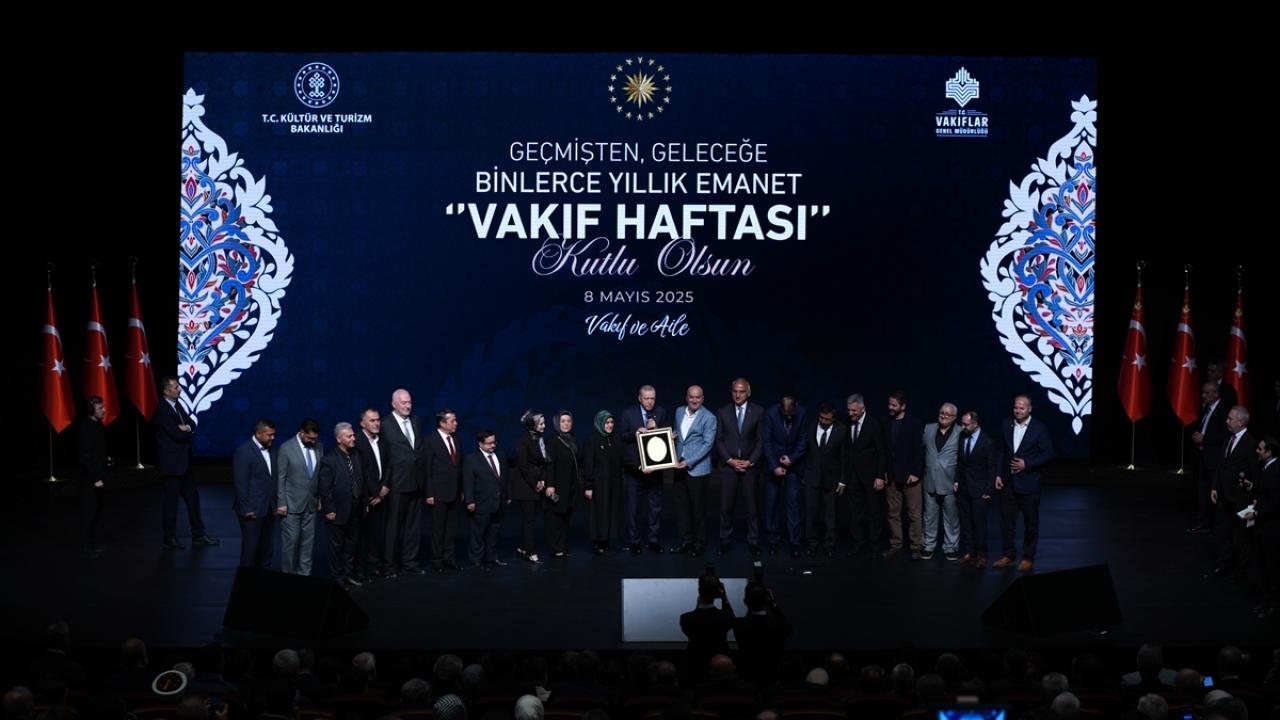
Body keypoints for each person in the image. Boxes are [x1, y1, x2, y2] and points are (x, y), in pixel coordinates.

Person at [994, 395, 1055, 572]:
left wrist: (1027, 464)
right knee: (1006, 522)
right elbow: (1002, 452)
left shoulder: (1039, 428)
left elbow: (1048, 453)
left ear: (1029, 409)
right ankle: (1008, 554)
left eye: (1022, 408)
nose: (1018, 411)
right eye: (1016, 407)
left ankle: (1028, 557)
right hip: (1008, 483)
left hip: (1029, 483)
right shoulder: (1006, 424)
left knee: (1031, 523)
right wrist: (998, 475)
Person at [155, 376, 218, 549]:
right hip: (172, 466)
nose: (180, 389)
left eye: (178, 386)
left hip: (184, 464)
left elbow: (191, 424)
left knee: (193, 500)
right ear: (166, 391)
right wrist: (184, 431)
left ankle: (198, 534)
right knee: (171, 503)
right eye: (176, 387)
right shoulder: (162, 410)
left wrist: (186, 428)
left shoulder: (177, 405)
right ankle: (169, 537)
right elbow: (176, 435)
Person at [715, 378, 765, 556]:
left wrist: (750, 461)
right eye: (735, 391)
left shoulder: (758, 411)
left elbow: (760, 441)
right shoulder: (723, 412)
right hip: (729, 468)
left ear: (748, 393)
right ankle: (724, 541)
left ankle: (753, 541)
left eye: (741, 391)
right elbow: (718, 440)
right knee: (726, 507)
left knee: (752, 508)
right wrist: (729, 460)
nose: (738, 394)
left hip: (749, 468)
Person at [1207, 406, 1258, 579]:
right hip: (1223, 495)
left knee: (1240, 537)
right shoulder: (1228, 439)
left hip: (1240, 498)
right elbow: (1220, 465)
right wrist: (1214, 486)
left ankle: (1239, 572)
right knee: (1223, 533)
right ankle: (1223, 565)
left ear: (1241, 422)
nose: (1226, 421)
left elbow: (1255, 473)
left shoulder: (1250, 443)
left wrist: (1254, 498)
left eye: (1230, 419)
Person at [617, 385, 668, 554]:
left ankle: (653, 541)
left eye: (652, 398)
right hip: (635, 470)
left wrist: (657, 429)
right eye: (646, 398)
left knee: (655, 508)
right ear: (640, 398)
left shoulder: (661, 412)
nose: (650, 402)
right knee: (633, 509)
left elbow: (666, 438)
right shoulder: (628, 414)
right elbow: (622, 436)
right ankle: (635, 542)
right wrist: (636, 432)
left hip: (655, 470)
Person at [382, 388, 425, 576]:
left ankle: (410, 562)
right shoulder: (385, 424)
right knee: (393, 527)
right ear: (394, 404)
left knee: (413, 527)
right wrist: (386, 483)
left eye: (409, 402)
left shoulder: (416, 421)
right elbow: (384, 456)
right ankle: (389, 565)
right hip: (397, 484)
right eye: (403, 402)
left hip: (416, 482)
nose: (408, 406)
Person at [318, 422, 366, 589]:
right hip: (338, 511)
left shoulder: (356, 455)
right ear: (339, 439)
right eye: (349, 436)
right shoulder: (329, 459)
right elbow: (325, 488)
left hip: (355, 509)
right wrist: (329, 509)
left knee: (351, 545)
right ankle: (337, 579)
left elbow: (361, 480)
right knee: (336, 548)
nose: (353, 438)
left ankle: (348, 575)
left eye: (353, 435)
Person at [672, 386, 717, 556]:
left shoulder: (709, 417)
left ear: (703, 399)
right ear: (687, 397)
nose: (694, 400)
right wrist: (671, 437)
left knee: (698, 509)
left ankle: (699, 544)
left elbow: (707, 445)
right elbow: (679, 435)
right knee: (681, 508)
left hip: (697, 469)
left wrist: (688, 461)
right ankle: (686, 542)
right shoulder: (679, 411)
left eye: (698, 397)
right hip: (678, 466)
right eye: (691, 397)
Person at [276, 418, 324, 575]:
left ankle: (304, 575)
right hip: (290, 505)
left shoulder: (319, 447)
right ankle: (288, 576)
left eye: (315, 438)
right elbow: (281, 477)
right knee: (291, 543)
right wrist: (281, 502)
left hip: (311, 503)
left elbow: (318, 476)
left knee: (308, 544)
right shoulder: (286, 448)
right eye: (310, 438)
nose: (313, 441)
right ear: (302, 432)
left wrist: (319, 498)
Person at [841, 393, 886, 556]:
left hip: (871, 476)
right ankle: (858, 543)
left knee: (874, 512)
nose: (850, 413)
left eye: (854, 410)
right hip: (852, 476)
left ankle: (875, 545)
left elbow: (881, 451)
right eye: (849, 410)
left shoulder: (874, 424)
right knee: (854, 513)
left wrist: (880, 476)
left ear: (862, 408)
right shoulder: (846, 423)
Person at [763, 395, 808, 557]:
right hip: (774, 465)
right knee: (772, 504)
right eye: (786, 415)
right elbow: (766, 442)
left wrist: (792, 459)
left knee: (793, 505)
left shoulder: (802, 413)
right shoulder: (771, 413)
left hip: (794, 466)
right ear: (779, 408)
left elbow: (803, 440)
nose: (789, 418)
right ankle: (773, 541)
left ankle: (795, 542)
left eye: (791, 415)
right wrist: (775, 465)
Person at [883, 390, 925, 560]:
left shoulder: (914, 423)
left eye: (894, 405)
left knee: (914, 514)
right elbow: (884, 450)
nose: (890, 407)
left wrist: (915, 472)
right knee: (893, 513)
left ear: (903, 406)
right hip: (891, 476)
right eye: (889, 404)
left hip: (910, 477)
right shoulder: (886, 422)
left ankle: (916, 547)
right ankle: (896, 545)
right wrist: (884, 472)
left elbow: (919, 450)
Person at [231, 419, 278, 569]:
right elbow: (240, 483)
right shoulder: (244, 452)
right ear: (258, 433)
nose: (273, 438)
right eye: (269, 435)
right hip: (252, 510)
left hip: (268, 508)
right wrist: (246, 508)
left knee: (266, 550)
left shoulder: (273, 450)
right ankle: (245, 582)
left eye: (274, 434)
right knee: (250, 552)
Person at [956, 410, 998, 568]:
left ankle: (982, 555)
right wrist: (956, 481)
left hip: (979, 489)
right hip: (964, 487)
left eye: (966, 424)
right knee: (966, 522)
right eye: (962, 423)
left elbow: (991, 468)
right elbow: (960, 462)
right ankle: (970, 552)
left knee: (979, 524)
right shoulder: (962, 437)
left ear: (975, 424)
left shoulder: (987, 442)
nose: (962, 427)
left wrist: (988, 490)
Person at [803, 403, 846, 557]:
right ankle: (812, 543)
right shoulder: (811, 426)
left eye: (827, 419)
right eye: (821, 418)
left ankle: (829, 545)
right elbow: (805, 450)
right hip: (812, 478)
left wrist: (842, 480)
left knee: (830, 515)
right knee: (811, 514)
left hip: (831, 479)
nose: (823, 421)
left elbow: (844, 457)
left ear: (833, 419)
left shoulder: (842, 430)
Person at [353, 407, 390, 582]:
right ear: (363, 423)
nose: (376, 423)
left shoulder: (382, 440)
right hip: (366, 497)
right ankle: (361, 569)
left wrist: (385, 487)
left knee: (377, 534)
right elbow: (361, 472)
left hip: (382, 495)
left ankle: (373, 566)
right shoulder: (357, 441)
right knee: (363, 536)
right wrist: (375, 493)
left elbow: (389, 465)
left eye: (378, 420)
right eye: (372, 420)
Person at [921, 403, 962, 561]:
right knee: (929, 517)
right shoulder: (929, 428)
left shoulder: (960, 432)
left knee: (951, 517)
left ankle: (951, 547)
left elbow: (963, 459)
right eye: (941, 412)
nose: (943, 415)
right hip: (930, 479)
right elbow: (921, 450)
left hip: (950, 482)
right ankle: (928, 545)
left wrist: (958, 480)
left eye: (947, 414)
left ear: (954, 417)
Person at [679, 571, 735, 684]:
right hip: (721, 666)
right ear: (717, 592)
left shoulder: (686, 618)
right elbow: (730, 617)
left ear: (699, 591)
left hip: (696, 666)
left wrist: (698, 606)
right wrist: (724, 597)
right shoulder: (725, 617)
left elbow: (695, 619)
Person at [425, 408, 463, 572]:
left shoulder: (456, 439)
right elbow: (427, 469)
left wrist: (461, 490)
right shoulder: (431, 441)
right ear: (442, 423)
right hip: (438, 493)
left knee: (451, 529)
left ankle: (449, 558)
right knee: (438, 528)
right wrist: (429, 493)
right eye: (452, 421)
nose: (456, 423)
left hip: (454, 492)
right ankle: (437, 560)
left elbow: (459, 467)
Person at [1245, 435, 1279, 617]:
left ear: (1269, 453)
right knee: (1262, 565)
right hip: (1263, 526)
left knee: (1271, 567)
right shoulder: (1266, 467)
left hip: (1271, 528)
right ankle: (1266, 601)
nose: (1257, 451)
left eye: (1260, 449)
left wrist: (1256, 512)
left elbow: (1275, 502)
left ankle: (1272, 604)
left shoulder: (1276, 470)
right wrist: (1253, 489)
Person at [463, 429, 508, 568]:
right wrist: (469, 501)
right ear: (480, 444)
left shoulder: (501, 456)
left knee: (494, 531)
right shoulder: (471, 459)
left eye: (494, 442)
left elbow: (505, 478)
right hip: (481, 502)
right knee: (478, 532)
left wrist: (507, 495)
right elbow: (468, 481)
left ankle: (491, 557)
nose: (492, 445)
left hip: (498, 502)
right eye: (489, 443)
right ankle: (476, 559)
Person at [734, 581, 793, 687]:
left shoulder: (739, 625)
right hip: (772, 677)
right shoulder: (778, 624)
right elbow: (788, 628)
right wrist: (774, 606)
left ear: (745, 601)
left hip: (748, 677)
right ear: (767, 600)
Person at [1189, 381, 1229, 534]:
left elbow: (1225, 436)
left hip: (1215, 459)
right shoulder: (1206, 408)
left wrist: (1204, 439)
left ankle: (1215, 525)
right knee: (1202, 491)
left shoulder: (1224, 411)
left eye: (1207, 393)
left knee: (1214, 493)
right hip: (1203, 457)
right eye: (1203, 392)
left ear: (1216, 394)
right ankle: (1202, 522)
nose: (1203, 395)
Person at [514, 410, 552, 562]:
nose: (544, 426)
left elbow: (543, 462)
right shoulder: (524, 441)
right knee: (528, 520)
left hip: (537, 483)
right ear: (533, 424)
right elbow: (523, 466)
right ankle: (530, 551)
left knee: (530, 519)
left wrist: (542, 480)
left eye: (544, 423)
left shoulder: (539, 439)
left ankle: (524, 546)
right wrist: (535, 482)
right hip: (526, 485)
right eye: (541, 423)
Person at [583, 411, 623, 554]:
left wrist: (640, 466)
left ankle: (606, 541)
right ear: (600, 423)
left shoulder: (616, 438)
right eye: (607, 422)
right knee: (599, 513)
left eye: (611, 422)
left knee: (611, 512)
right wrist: (588, 486)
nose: (610, 425)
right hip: (599, 485)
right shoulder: (592, 439)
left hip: (613, 484)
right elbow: (588, 464)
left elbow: (624, 458)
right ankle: (598, 542)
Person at [75, 396, 109, 558]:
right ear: (91, 410)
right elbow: (84, 457)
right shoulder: (86, 428)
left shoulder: (98, 425)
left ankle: (93, 544)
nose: (104, 410)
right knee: (89, 514)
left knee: (96, 513)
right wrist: (95, 479)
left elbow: (97, 450)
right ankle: (87, 547)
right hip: (89, 480)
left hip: (98, 476)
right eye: (100, 408)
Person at [546, 411, 581, 559]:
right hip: (557, 485)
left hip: (570, 485)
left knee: (566, 517)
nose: (566, 424)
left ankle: (562, 546)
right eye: (563, 421)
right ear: (557, 423)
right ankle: (556, 548)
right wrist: (550, 485)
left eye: (568, 421)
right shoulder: (553, 441)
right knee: (556, 519)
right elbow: (550, 465)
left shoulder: (572, 439)